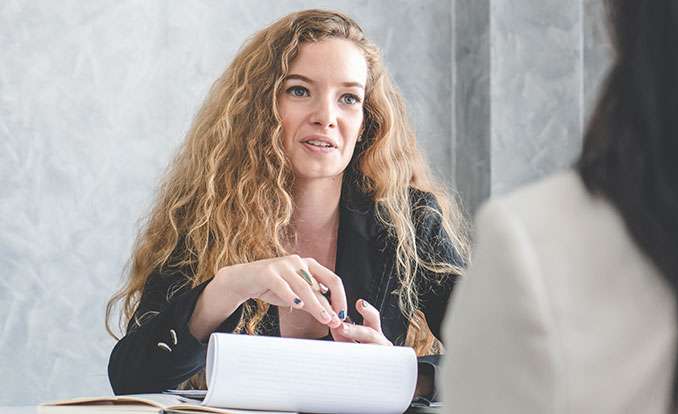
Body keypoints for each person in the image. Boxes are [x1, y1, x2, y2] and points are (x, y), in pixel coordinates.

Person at [105, 9, 468, 395]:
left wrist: (402, 374)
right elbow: (131, 378)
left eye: (348, 98)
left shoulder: (410, 220)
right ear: (260, 108)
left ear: (367, 121)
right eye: (299, 90)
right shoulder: (202, 220)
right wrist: (221, 292)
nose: (326, 116)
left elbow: (507, 356)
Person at [443, 0, 678, 412]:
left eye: (349, 98)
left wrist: (400, 366)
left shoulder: (519, 245)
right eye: (312, 91)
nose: (324, 117)